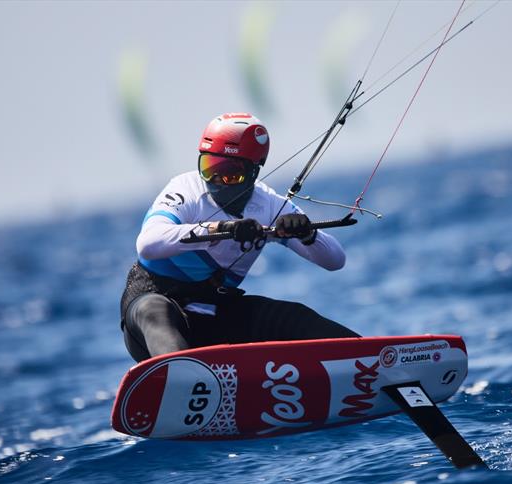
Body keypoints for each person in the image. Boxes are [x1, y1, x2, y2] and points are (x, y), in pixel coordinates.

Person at [120, 112, 358, 362]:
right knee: (155, 311)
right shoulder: (185, 190)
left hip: (214, 313)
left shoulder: (269, 206)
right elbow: (147, 244)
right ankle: (184, 378)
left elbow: (335, 260)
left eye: (229, 173)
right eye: (208, 167)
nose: (216, 181)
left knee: (294, 317)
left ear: (253, 173)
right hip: (152, 313)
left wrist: (308, 235)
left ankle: (375, 364)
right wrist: (221, 229)